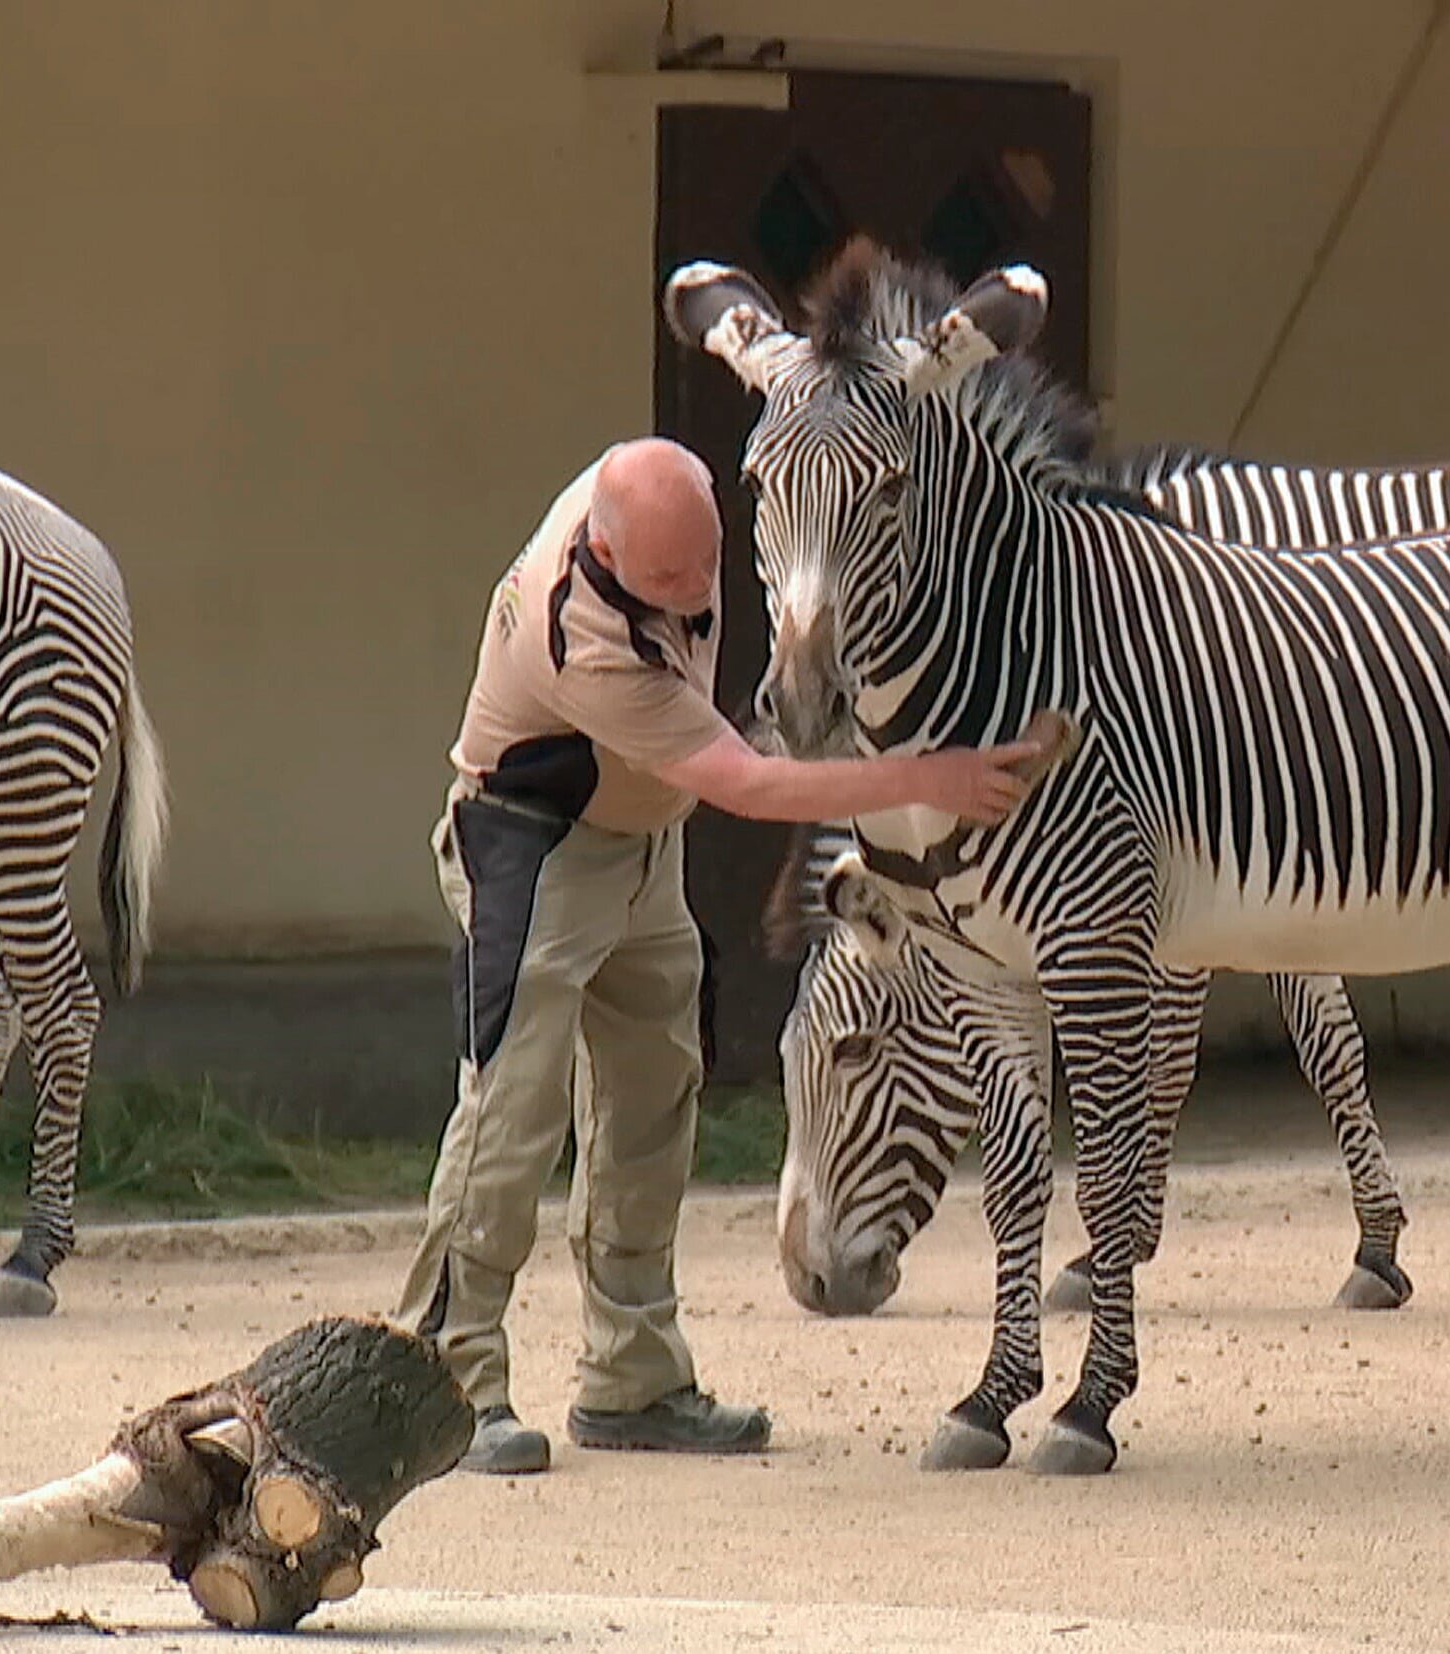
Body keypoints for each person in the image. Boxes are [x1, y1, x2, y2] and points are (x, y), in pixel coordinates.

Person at [396, 437, 1043, 1475]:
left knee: (655, 1097)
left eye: (706, 565)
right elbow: (750, 782)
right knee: (512, 1109)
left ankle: (633, 1376)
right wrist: (932, 776)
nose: (695, 589)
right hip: (533, 838)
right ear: (604, 545)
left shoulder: (671, 520)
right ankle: (448, 1377)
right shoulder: (583, 631)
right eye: (666, 578)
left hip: (646, 837)